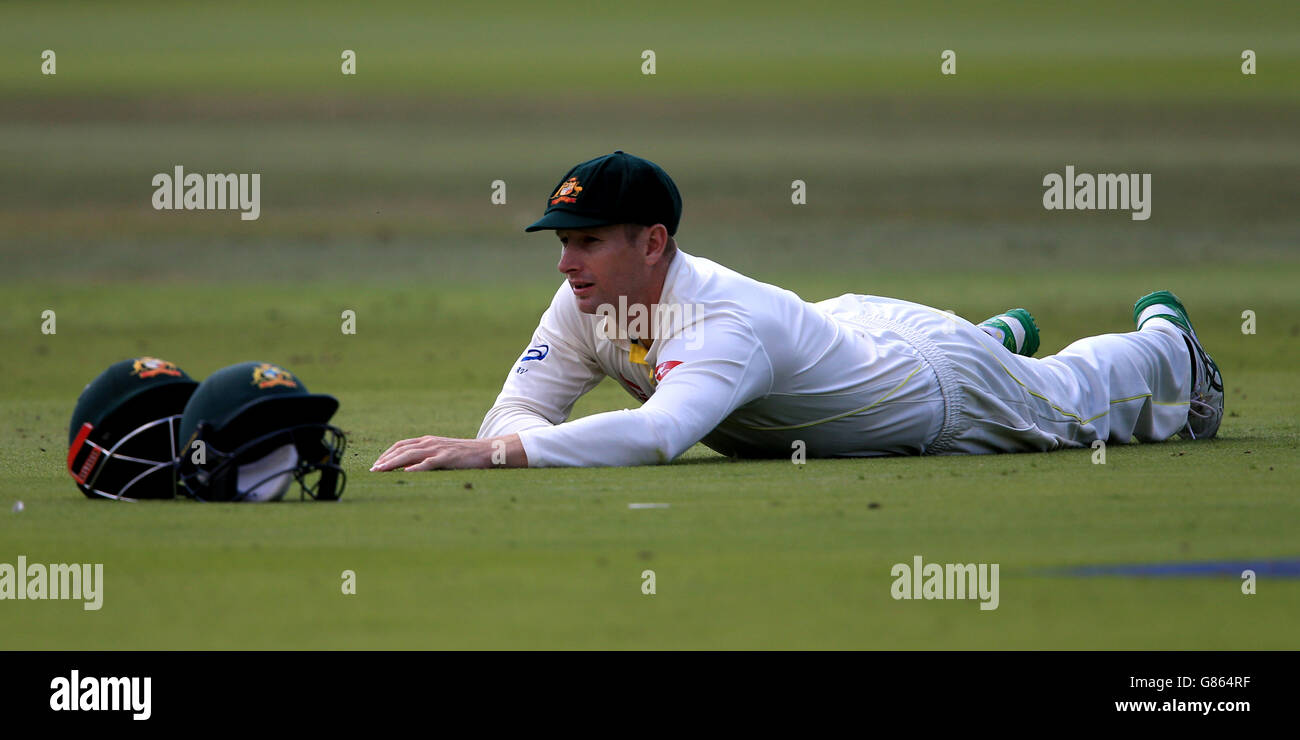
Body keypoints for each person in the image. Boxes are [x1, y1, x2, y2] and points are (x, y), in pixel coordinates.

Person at [371, 151, 1222, 471]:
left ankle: (1171, 349)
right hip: (851, 324)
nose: (565, 262)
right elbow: (516, 408)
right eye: (561, 240)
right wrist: (501, 436)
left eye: (588, 241)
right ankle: (994, 335)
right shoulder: (582, 300)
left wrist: (500, 455)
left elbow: (659, 434)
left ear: (654, 242)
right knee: (989, 356)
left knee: (1072, 401)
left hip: (935, 390)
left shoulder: (717, 327)